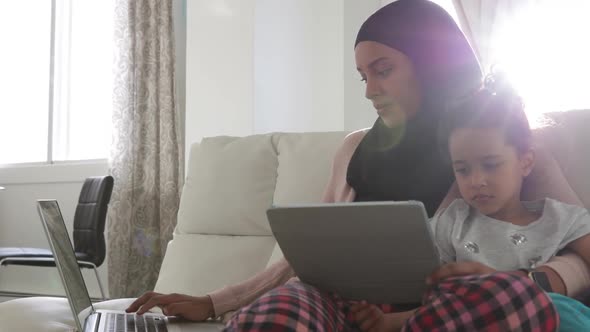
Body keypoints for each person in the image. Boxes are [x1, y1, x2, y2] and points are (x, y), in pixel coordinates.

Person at [126, 0, 590, 329]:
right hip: (352, 308)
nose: (369, 91)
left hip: (455, 307)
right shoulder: (352, 150)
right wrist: (213, 301)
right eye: (363, 76)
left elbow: (577, 245)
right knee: (289, 304)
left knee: (505, 299)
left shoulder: (507, 143)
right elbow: (305, 256)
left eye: (383, 70)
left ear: (431, 63)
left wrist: (529, 282)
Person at [350, 81, 590, 331]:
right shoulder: (452, 221)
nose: (476, 181)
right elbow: (438, 307)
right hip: (466, 323)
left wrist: (500, 287)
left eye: (491, 165)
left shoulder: (560, 218)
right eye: (462, 170)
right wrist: (387, 321)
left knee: (549, 305)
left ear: (526, 162)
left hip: (534, 318)